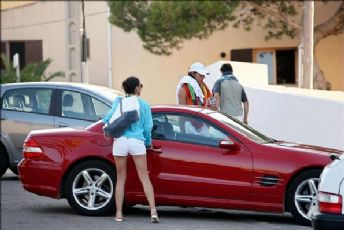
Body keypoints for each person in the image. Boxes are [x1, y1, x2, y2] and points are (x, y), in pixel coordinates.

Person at [102, 76, 159, 223]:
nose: (141, 88)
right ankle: (153, 212)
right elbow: (148, 128)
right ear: (136, 88)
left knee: (121, 178)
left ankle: (119, 214)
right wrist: (148, 142)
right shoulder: (144, 105)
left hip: (120, 141)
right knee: (144, 177)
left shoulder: (118, 102)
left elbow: (107, 119)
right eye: (140, 85)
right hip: (137, 142)